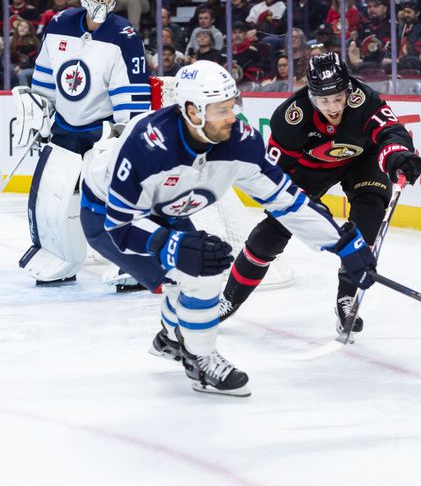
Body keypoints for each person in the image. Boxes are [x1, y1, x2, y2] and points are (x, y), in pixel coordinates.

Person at [79, 60, 377, 396]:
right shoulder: (146, 147)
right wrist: (171, 245)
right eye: (221, 110)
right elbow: (119, 226)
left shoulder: (239, 142)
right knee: (200, 270)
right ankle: (201, 360)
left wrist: (342, 244)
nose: (232, 117)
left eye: (232, 106)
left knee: (190, 271)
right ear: (192, 111)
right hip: (107, 216)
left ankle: (169, 338)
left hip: (168, 206)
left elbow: (286, 201)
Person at [219, 52, 421, 336]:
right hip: (311, 169)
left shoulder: (364, 100)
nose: (334, 107)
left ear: (348, 89)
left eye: (339, 97)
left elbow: (392, 132)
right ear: (312, 96)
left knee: (370, 210)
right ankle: (229, 298)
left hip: (362, 161)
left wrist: (397, 155)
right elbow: (274, 178)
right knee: (273, 231)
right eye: (325, 100)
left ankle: (346, 297)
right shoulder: (291, 117)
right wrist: (306, 204)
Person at [18, 0, 149, 286]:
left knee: (111, 197)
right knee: (50, 194)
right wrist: (40, 112)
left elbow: (129, 91)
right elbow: (46, 76)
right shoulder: (61, 23)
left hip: (101, 131)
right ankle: (58, 253)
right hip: (64, 125)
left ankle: (129, 260)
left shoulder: (124, 36)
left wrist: (123, 132)